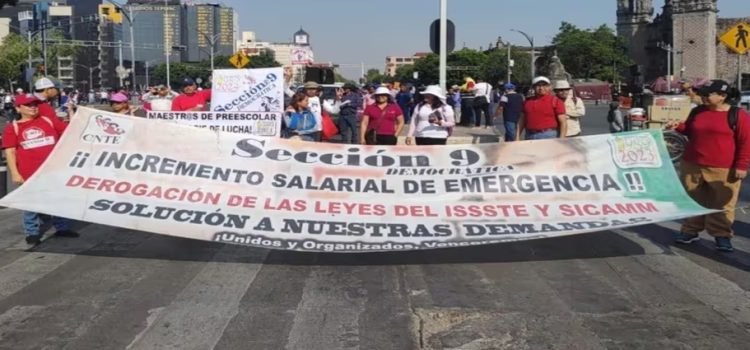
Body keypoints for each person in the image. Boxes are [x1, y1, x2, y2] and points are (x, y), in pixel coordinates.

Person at [666, 80, 750, 252]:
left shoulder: (737, 115)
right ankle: (690, 231)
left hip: (723, 168)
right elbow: (689, 130)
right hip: (692, 164)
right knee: (692, 200)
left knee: (723, 204)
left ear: (722, 96)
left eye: (708, 94)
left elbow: (745, 142)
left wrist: (742, 165)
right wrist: (678, 126)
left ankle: (722, 235)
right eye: (703, 93)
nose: (703, 97)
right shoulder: (697, 111)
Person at [2, 94, 79, 245]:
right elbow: (10, 152)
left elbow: (71, 132)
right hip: (29, 173)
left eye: (35, 104)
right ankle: (32, 232)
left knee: (58, 200)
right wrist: (15, 173)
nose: (33, 107)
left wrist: (73, 113)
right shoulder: (13, 128)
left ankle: (62, 227)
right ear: (18, 108)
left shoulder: (48, 121)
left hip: (54, 170)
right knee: (31, 204)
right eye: (29, 105)